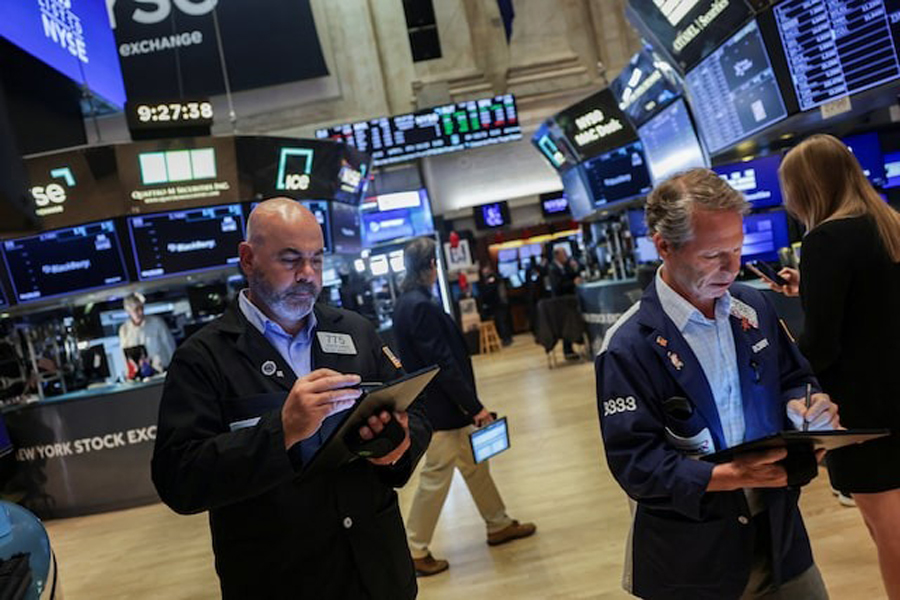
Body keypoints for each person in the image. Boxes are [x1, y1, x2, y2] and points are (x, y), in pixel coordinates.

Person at [151, 198, 432, 599]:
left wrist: (398, 446)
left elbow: (416, 412)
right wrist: (281, 430)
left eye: (316, 260)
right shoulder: (203, 358)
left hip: (378, 575)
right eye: (290, 260)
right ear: (248, 259)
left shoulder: (355, 331)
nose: (308, 275)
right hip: (281, 580)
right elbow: (178, 479)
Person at [596, 168, 840, 599]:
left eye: (737, 248)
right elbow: (637, 465)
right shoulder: (627, 347)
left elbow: (794, 378)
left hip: (781, 537)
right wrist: (729, 475)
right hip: (694, 560)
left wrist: (809, 405)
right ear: (664, 246)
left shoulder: (755, 307)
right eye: (713, 255)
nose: (733, 267)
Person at [768, 134, 900, 599]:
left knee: (889, 536)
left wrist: (783, 353)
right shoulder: (889, 225)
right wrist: (809, 288)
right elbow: (874, 300)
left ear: (804, 188)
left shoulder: (824, 239)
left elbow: (821, 347)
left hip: (865, 415)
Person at [392, 237, 536, 576]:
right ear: (430, 267)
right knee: (436, 476)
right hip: (445, 410)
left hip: (438, 407)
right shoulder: (421, 306)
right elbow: (442, 362)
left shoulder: (406, 303)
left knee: (474, 466)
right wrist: (474, 407)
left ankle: (498, 523)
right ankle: (414, 548)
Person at [118, 293, 176, 375]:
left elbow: (169, 346)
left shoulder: (156, 323)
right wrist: (129, 374)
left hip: (161, 371)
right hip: (139, 374)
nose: (140, 312)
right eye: (136, 309)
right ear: (128, 311)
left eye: (142, 308)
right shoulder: (124, 330)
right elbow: (125, 356)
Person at [548, 246, 582, 359]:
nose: (566, 256)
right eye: (564, 254)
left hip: (568, 301)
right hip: (560, 303)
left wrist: (574, 267)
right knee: (566, 326)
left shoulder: (564, 266)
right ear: (557, 255)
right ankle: (568, 351)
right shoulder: (552, 268)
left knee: (570, 325)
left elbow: (573, 275)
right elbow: (558, 287)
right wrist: (572, 282)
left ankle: (570, 349)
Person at [478, 265, 513, 346]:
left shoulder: (492, 279)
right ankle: (507, 338)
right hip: (502, 302)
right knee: (504, 321)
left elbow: (490, 291)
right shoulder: (497, 278)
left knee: (501, 321)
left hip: (498, 303)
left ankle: (506, 339)